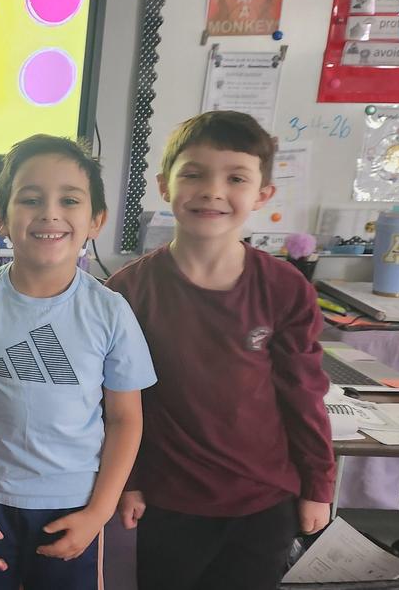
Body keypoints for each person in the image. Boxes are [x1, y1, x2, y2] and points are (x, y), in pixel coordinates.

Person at [107, 111, 334, 590]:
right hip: (166, 500)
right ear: (164, 185)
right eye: (194, 174)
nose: (212, 191)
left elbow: (303, 394)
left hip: (263, 502)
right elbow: (117, 404)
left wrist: (318, 485)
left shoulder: (285, 287)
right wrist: (128, 481)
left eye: (235, 178)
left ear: (262, 194)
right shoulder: (127, 291)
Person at [0, 135, 155, 589]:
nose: (50, 213)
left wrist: (98, 512)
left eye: (69, 200)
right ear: (0, 217)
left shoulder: (110, 312)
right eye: (31, 199)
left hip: (74, 504)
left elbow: (125, 419)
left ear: (96, 220)